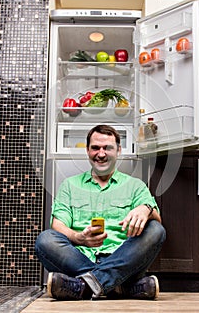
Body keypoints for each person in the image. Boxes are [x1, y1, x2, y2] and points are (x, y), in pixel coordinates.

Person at [35, 124, 166, 300]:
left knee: (156, 230)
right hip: (79, 259)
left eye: (108, 148)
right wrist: (78, 237)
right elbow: (58, 224)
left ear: (118, 150)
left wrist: (145, 209)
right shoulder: (69, 185)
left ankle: (84, 286)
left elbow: (156, 218)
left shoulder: (135, 185)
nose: (101, 154)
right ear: (88, 151)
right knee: (45, 239)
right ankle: (119, 287)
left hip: (124, 260)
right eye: (95, 148)